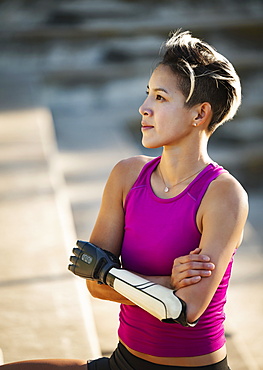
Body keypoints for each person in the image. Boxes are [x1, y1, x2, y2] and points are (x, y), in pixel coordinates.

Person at [1, 30, 248, 369]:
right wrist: (164, 282)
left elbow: (184, 309)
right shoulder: (127, 176)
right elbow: (93, 283)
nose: (144, 108)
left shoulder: (223, 194)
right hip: (123, 361)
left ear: (199, 114)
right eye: (148, 94)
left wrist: (111, 273)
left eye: (160, 98)